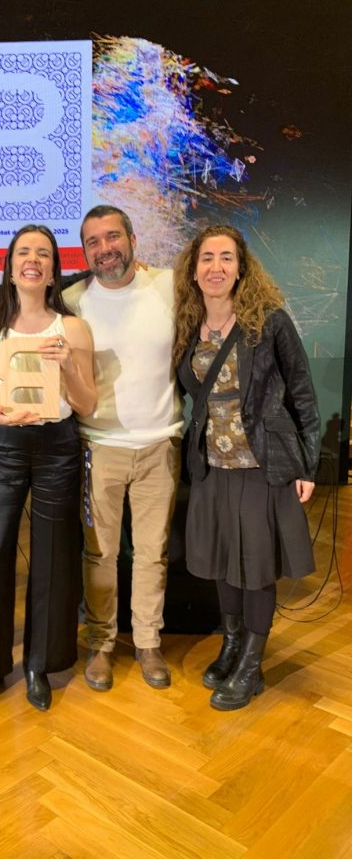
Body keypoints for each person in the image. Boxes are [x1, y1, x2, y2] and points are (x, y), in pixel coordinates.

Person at [173, 224, 320, 710]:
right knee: (223, 560)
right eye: (207, 258)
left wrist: (309, 464)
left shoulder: (269, 322)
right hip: (213, 466)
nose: (216, 267)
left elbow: (302, 393)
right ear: (193, 270)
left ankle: (252, 663)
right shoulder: (188, 324)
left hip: (263, 465)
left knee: (255, 567)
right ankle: (232, 644)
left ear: (241, 268)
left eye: (226, 258)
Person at [0, 225, 96, 710]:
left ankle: (39, 665)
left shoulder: (73, 329)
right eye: (24, 252)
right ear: (9, 266)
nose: (33, 260)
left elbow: (87, 403)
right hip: (3, 444)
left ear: (53, 270)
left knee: (53, 557)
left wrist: (67, 366)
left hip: (57, 446)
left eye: (43, 253)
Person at [63, 205, 183, 692]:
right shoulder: (71, 301)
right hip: (98, 446)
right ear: (84, 251)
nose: (104, 248)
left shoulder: (169, 286)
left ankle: (149, 642)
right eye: (93, 241)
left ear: (132, 240)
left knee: (152, 553)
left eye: (113, 236)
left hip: (160, 444)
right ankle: (101, 643)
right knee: (100, 554)